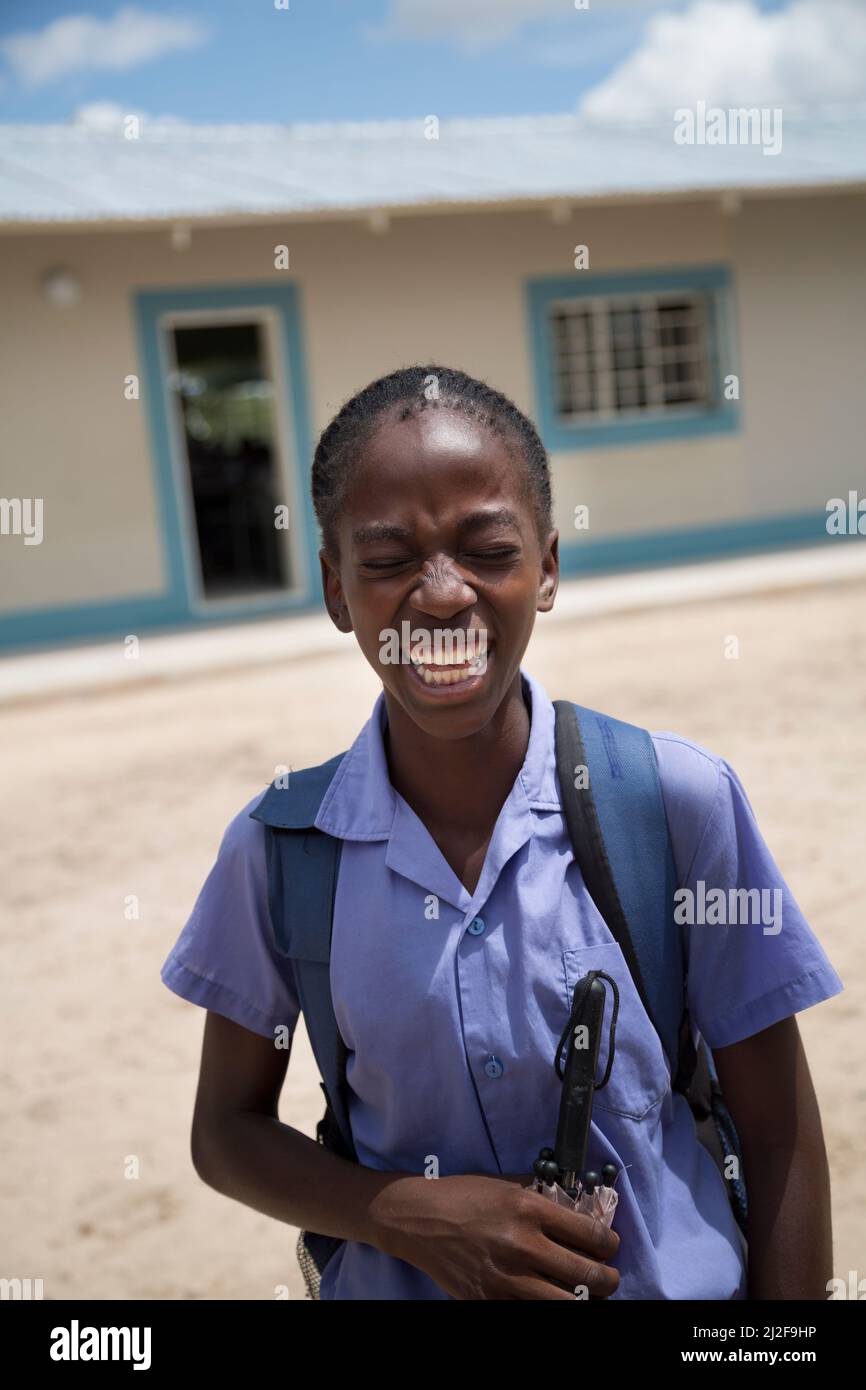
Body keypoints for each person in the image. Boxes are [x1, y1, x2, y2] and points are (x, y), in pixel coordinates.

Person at [160, 365, 843, 1300]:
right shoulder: (283, 853)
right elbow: (225, 1132)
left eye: (487, 549)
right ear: (334, 589)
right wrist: (398, 1211)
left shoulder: (674, 802)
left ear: (549, 567)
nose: (442, 596)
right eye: (389, 560)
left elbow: (780, 1133)